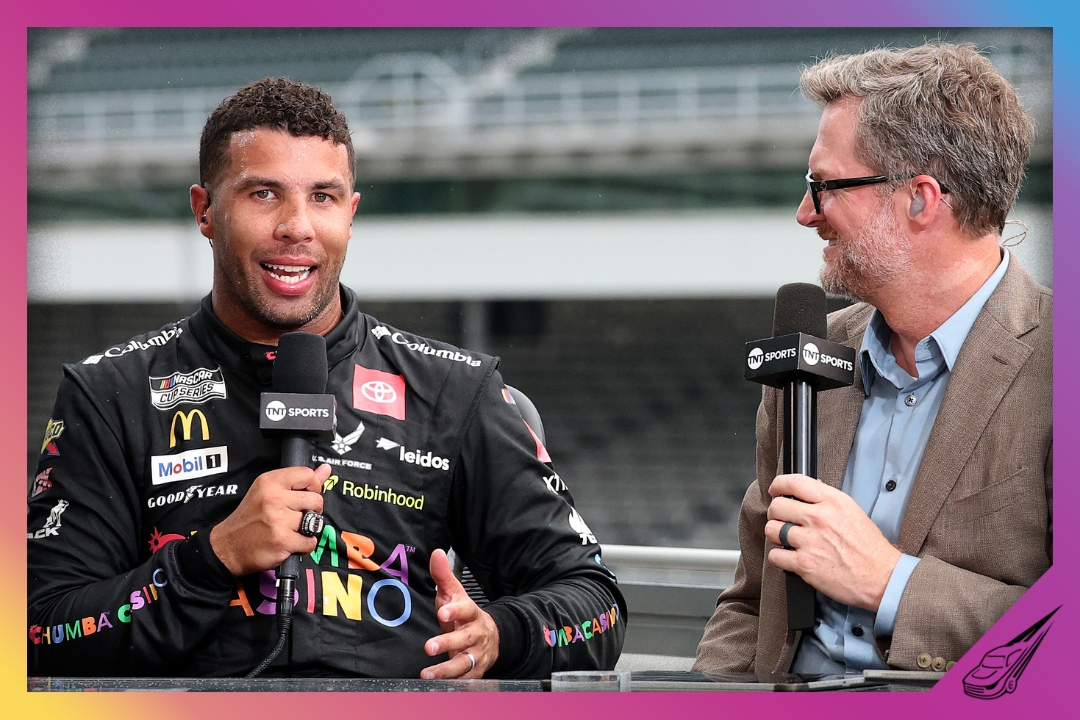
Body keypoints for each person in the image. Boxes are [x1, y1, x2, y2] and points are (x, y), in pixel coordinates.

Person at [27, 78, 625, 679]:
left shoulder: (456, 390)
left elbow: (596, 606)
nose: (297, 226)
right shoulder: (109, 394)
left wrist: (500, 634)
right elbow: (40, 629)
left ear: (351, 213)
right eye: (263, 194)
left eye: (323, 197)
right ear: (205, 211)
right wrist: (213, 559)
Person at [695, 42, 1051, 676]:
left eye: (825, 186)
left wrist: (890, 583)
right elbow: (751, 606)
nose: (805, 213)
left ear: (920, 198)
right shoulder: (809, 353)